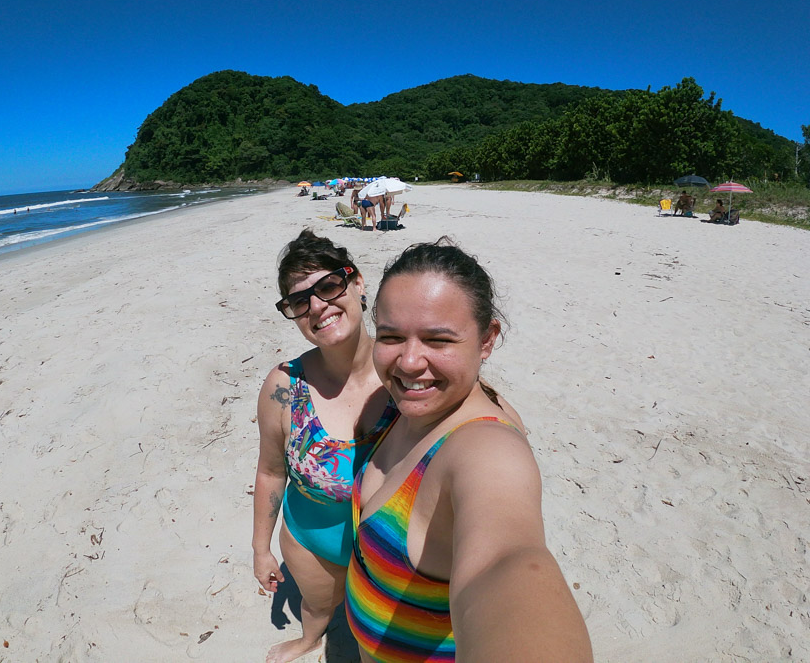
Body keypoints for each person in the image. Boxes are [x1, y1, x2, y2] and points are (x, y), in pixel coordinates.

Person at [346, 239, 593, 662]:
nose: (408, 362)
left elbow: (507, 563)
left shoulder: (488, 450)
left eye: (437, 340)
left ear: (487, 339)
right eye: (390, 336)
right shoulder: (397, 406)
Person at [253, 230, 399, 663]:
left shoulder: (406, 368)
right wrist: (261, 550)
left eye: (329, 286)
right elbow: (270, 471)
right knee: (318, 607)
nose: (317, 306)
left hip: (393, 545)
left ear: (357, 284)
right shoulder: (284, 385)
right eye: (300, 301)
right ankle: (309, 639)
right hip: (312, 539)